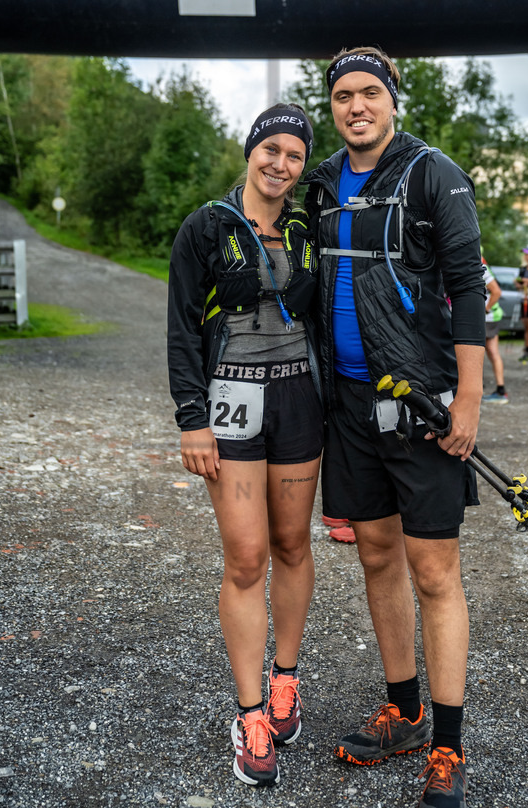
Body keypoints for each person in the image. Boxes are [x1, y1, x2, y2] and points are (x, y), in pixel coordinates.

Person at [305, 46, 485, 808]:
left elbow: (469, 285)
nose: (356, 107)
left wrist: (468, 399)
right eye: (343, 95)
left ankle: (446, 743)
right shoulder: (316, 182)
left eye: (369, 93)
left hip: (420, 403)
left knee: (435, 572)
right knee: (376, 556)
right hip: (347, 405)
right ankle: (403, 712)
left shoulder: (431, 173)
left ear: (392, 101)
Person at [167, 104, 323, 788]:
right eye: (270, 149)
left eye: (293, 154)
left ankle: (285, 678)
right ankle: (250, 712)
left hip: (297, 400)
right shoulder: (205, 225)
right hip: (229, 402)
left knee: (292, 545)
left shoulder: (305, 225)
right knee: (246, 557)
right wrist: (190, 418)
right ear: (250, 150)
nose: (280, 163)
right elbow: (178, 328)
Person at [481, 258, 509, 403]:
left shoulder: (480, 267)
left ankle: (479, 388)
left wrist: (485, 309)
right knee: (492, 353)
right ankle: (500, 390)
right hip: (491, 317)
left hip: (487, 318)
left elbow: (496, 291)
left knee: (477, 353)